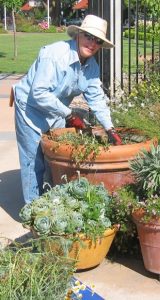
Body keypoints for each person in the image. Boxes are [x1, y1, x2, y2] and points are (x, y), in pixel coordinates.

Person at [12, 14, 122, 204]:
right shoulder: (55, 55)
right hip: (29, 108)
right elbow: (38, 94)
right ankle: (33, 210)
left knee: (52, 159)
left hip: (55, 111)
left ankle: (49, 203)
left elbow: (96, 98)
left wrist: (110, 128)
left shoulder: (91, 66)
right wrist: (69, 114)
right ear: (78, 34)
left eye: (97, 40)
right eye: (88, 36)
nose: (92, 43)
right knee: (34, 161)